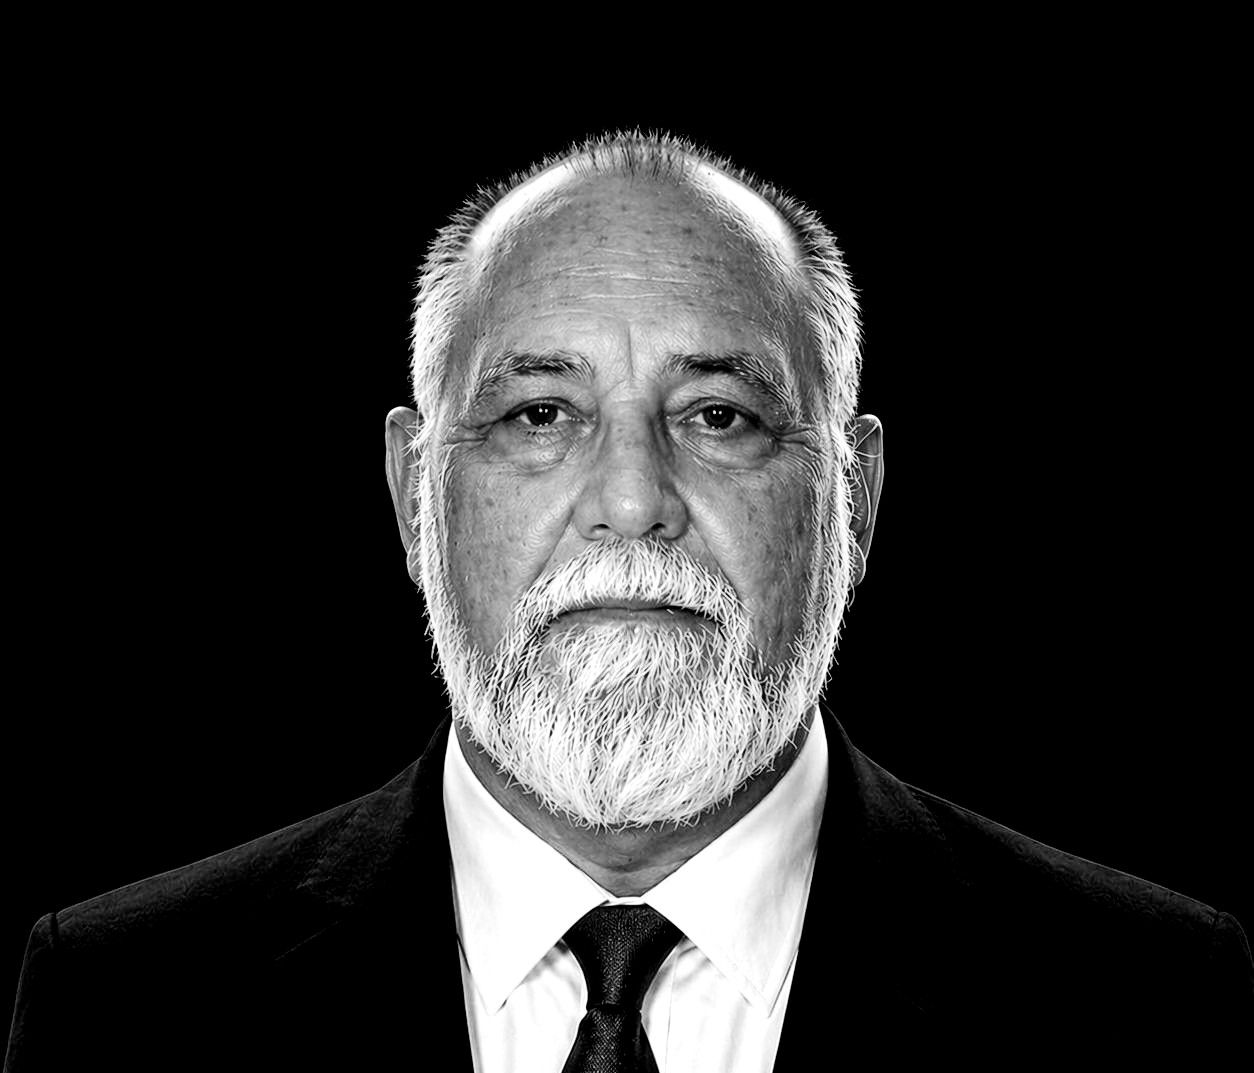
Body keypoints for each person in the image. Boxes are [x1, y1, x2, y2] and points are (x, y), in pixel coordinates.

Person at [5, 131, 1251, 1072]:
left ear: (855, 499)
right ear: (413, 496)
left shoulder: (1153, 999)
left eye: (719, 415)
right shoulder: (120, 1003)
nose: (634, 500)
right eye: (540, 414)